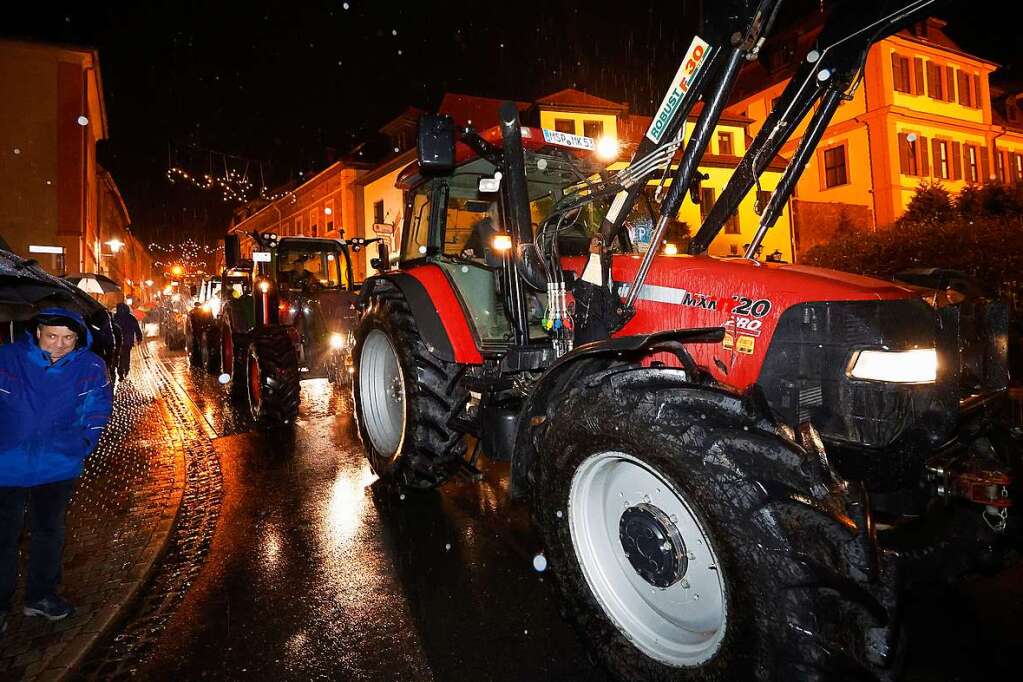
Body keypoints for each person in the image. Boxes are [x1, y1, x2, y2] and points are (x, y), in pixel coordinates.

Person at [0, 308, 113, 632]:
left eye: (68, 338)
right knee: (4, 537)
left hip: (57, 466)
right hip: (6, 465)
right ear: (38, 333)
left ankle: (41, 596)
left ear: (78, 339)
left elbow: (97, 409)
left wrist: (81, 444)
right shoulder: (7, 358)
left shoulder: (89, 366)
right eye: (52, 336)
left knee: (49, 533)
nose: (59, 345)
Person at [112, 302, 143, 380]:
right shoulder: (131, 317)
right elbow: (137, 329)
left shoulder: (115, 317)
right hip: (128, 341)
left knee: (120, 356)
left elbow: (111, 328)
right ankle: (126, 369)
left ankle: (120, 371)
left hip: (118, 341)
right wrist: (139, 338)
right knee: (126, 356)